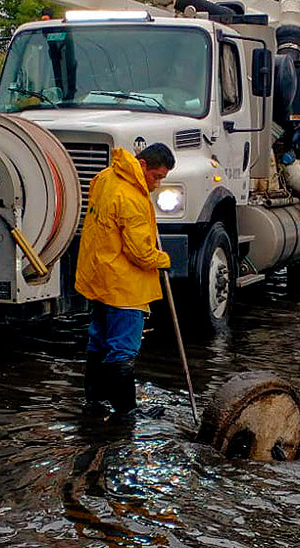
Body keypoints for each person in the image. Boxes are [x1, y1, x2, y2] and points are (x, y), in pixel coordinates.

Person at [75, 142, 175, 419]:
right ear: (142, 166)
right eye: (156, 177)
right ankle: (126, 411)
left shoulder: (106, 177)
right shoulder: (131, 197)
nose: (156, 185)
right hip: (124, 286)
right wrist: (163, 259)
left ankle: (94, 401)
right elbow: (141, 253)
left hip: (100, 278)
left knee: (98, 342)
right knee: (123, 348)